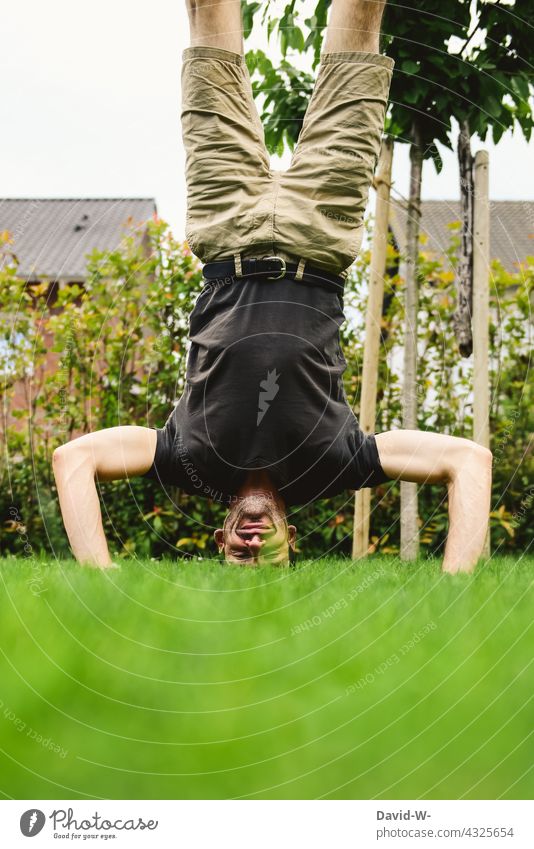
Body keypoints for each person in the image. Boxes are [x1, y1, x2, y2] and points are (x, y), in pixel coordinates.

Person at [53, 0, 492, 572]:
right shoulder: (335, 467)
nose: (252, 543)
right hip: (322, 230)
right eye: (265, 555)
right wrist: (457, 593)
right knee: (363, 11)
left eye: (240, 554)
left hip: (226, 227)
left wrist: (101, 581)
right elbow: (471, 462)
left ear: (220, 538)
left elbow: (74, 459)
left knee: (208, 13)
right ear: (294, 543)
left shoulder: (187, 462)